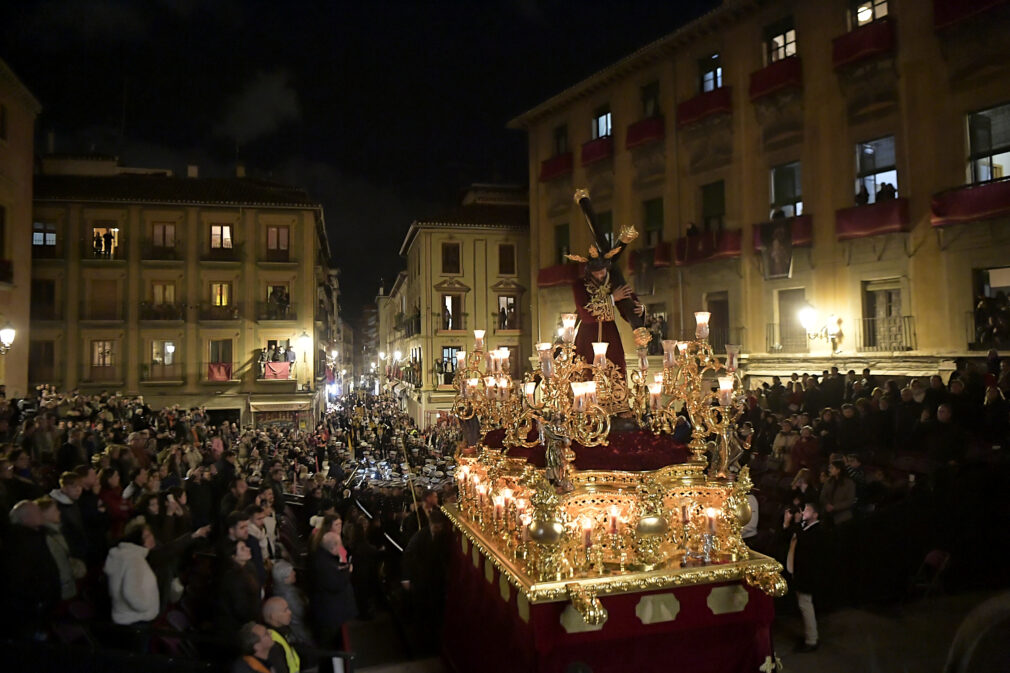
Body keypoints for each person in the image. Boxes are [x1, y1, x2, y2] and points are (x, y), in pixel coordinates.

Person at [0, 500, 61, 639]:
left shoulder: (36, 536)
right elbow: (19, 578)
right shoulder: (19, 543)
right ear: (25, 518)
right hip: (30, 610)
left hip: (42, 606)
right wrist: (39, 598)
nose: (40, 514)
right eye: (36, 512)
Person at [783, 501, 826, 653]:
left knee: (805, 604)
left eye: (807, 510)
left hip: (808, 574)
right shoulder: (804, 528)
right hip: (800, 572)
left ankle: (811, 639)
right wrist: (789, 523)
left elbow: (805, 541)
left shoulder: (816, 531)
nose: (803, 512)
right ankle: (810, 636)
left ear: (815, 515)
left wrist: (794, 522)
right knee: (803, 604)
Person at [105, 518, 160, 626]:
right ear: (138, 540)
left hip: (125, 616)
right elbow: (131, 592)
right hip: (136, 619)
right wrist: (146, 606)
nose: (151, 538)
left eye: (150, 534)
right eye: (146, 537)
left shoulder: (124, 554)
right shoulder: (134, 560)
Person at [311, 531, 357, 648]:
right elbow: (335, 584)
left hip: (335, 610)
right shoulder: (324, 564)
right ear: (332, 547)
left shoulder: (326, 554)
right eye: (340, 544)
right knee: (333, 642)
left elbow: (343, 557)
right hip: (331, 612)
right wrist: (348, 571)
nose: (342, 546)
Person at [37, 495, 86, 600]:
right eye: (54, 510)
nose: (59, 512)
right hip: (64, 588)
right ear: (44, 514)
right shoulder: (50, 537)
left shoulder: (58, 531)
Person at [217, 539, 263, 635]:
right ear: (233, 556)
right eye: (242, 549)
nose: (248, 549)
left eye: (246, 546)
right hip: (238, 627)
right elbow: (242, 611)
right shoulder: (233, 579)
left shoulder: (249, 566)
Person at [271, 560, 313, 645]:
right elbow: (301, 613)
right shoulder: (289, 596)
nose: (294, 573)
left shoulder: (279, 588)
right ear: (285, 579)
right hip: (300, 632)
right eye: (291, 572)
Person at [263, 597, 301, 673]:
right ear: (273, 616)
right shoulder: (272, 641)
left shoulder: (284, 631)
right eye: (285, 610)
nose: (290, 612)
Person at [819, 459, 856, 525]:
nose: (829, 470)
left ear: (838, 470)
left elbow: (850, 500)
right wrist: (827, 505)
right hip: (827, 515)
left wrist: (835, 507)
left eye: (832, 468)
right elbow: (823, 496)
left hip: (843, 517)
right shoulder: (828, 481)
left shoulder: (849, 483)